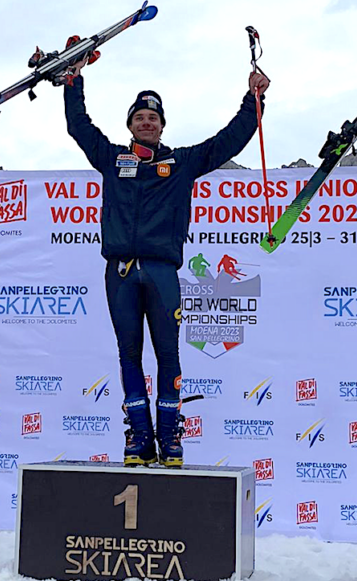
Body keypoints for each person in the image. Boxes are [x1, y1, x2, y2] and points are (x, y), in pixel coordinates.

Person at [63, 56, 269, 467]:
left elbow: (228, 141)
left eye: (153, 117)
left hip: (161, 271)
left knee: (168, 355)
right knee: (128, 353)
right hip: (119, 271)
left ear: (162, 125)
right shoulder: (111, 158)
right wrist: (73, 83)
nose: (146, 122)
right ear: (130, 125)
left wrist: (254, 100)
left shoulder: (180, 164)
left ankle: (170, 435)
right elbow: (79, 127)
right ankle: (139, 437)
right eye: (139, 116)